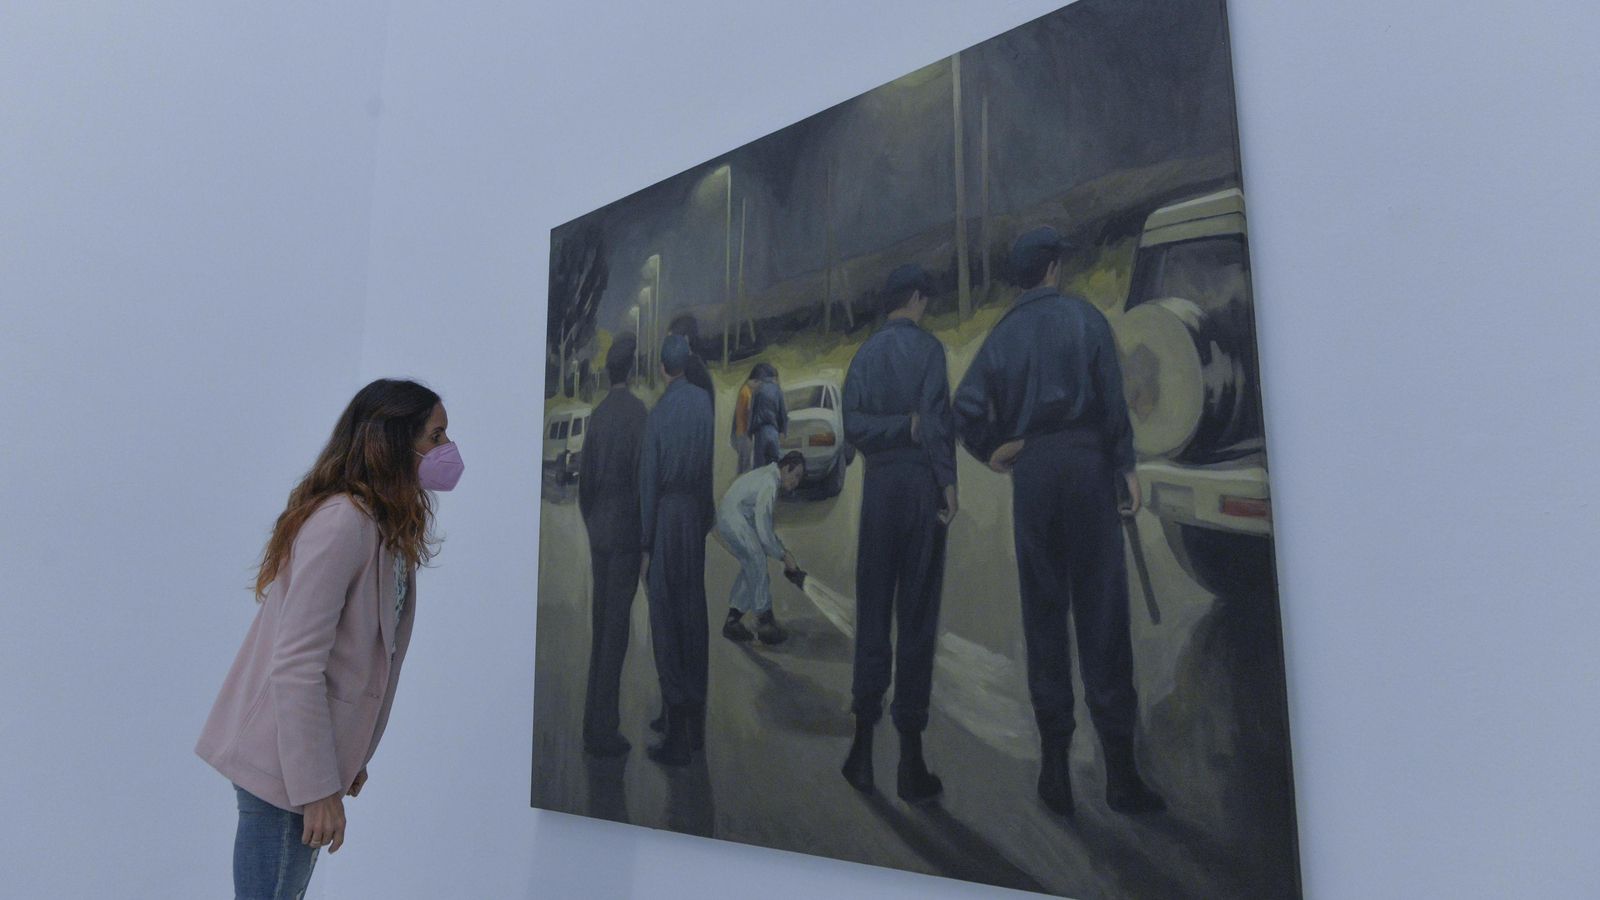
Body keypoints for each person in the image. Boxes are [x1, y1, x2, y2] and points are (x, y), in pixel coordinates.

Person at [196, 379, 464, 898]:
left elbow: (365, 659)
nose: (446, 451)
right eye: (436, 437)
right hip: (283, 770)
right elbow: (296, 664)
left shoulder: (385, 527)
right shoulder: (345, 522)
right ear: (393, 441)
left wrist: (350, 758)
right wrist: (318, 787)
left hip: (304, 767)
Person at [953, 226, 1165, 817]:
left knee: (1044, 614)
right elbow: (1112, 403)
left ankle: (1054, 772)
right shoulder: (1086, 319)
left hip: (1036, 476)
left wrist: (994, 448)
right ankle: (1121, 775)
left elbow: (965, 409)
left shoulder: (1002, 337)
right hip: (1089, 468)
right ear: (1053, 268)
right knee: (1102, 614)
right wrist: (1125, 467)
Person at [839, 264, 958, 803]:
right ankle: (911, 763)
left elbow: (855, 427)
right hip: (919, 491)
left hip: (878, 492)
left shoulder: (863, 357)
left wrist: (890, 430)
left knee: (873, 611)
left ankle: (862, 750)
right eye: (924, 299)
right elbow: (936, 424)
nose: (926, 307)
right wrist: (948, 485)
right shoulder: (930, 352)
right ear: (913, 298)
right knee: (916, 617)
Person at [638, 334, 716, 766]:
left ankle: (676, 734)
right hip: (693, 516)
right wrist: (704, 519)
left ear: (663, 369)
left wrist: (646, 545)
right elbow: (707, 470)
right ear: (685, 363)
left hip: (667, 516)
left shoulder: (659, 414)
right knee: (694, 617)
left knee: (666, 621)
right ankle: (693, 725)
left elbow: (648, 484)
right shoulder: (704, 404)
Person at [578, 337, 648, 757]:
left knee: (600, 627)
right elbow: (643, 482)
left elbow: (585, 484)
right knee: (616, 634)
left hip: (600, 531)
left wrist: (592, 523)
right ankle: (604, 730)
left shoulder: (599, 415)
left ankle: (592, 722)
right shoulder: (639, 415)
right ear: (633, 370)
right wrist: (643, 541)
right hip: (624, 535)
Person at [715, 451, 806, 645]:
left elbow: (762, 529)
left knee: (752, 564)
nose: (796, 482)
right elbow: (764, 529)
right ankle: (765, 624)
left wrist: (780, 553)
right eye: (796, 475)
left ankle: (733, 621)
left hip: (732, 517)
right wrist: (784, 555)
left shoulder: (768, 476)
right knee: (756, 561)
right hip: (733, 519)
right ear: (785, 468)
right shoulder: (769, 482)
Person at [748, 362, 787, 468]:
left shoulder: (758, 390)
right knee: (774, 464)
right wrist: (783, 431)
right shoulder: (778, 390)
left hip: (761, 432)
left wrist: (749, 433)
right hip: (774, 432)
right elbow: (783, 412)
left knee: (759, 465)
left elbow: (753, 413)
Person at [731, 367, 760, 474]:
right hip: (744, 432)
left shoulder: (744, 390)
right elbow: (748, 413)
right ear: (754, 381)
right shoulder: (746, 393)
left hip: (740, 431)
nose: (758, 387)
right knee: (745, 464)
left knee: (742, 462)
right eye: (758, 383)